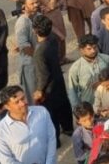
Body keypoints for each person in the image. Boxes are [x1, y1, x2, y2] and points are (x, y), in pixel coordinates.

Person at [32, 14, 74, 147]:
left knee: (51, 114)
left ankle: (55, 141)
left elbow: (43, 74)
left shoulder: (39, 51)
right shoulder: (53, 39)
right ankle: (68, 128)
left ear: (35, 30)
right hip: (58, 79)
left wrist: (39, 90)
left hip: (48, 88)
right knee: (63, 104)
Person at [0, 85, 56, 164]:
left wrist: (49, 162)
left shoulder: (42, 112)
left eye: (23, 98)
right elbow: (7, 160)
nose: (23, 103)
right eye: (17, 102)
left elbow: (51, 137)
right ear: (7, 106)